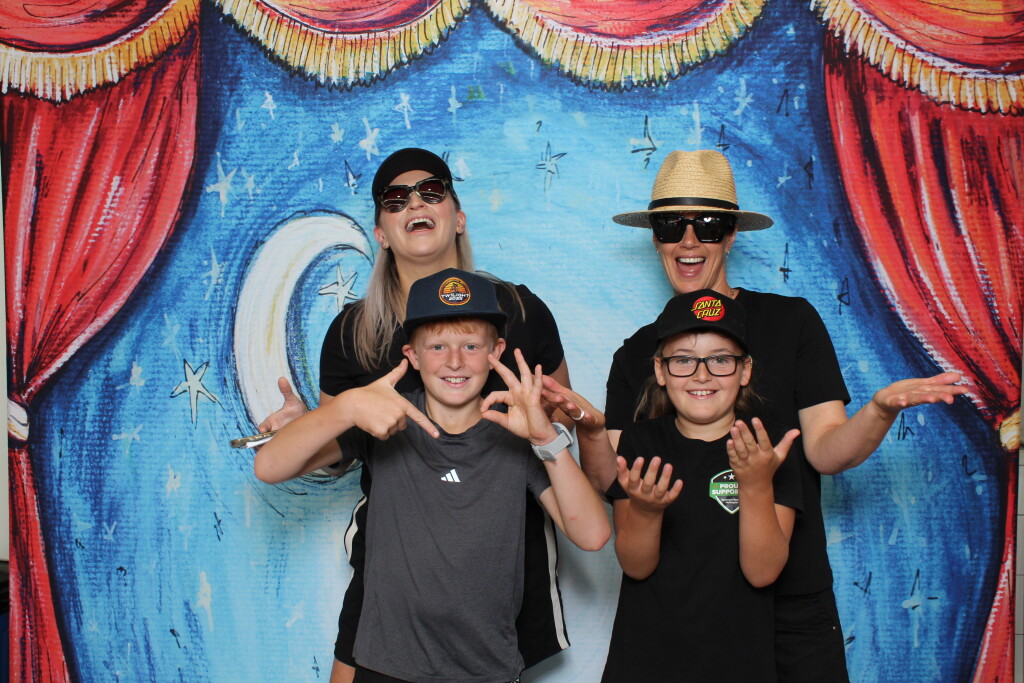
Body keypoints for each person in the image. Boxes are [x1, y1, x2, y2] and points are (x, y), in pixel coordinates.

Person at [546, 150, 966, 682]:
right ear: (656, 239)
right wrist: (585, 432)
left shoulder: (792, 323)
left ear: (730, 236)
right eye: (672, 225)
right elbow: (616, 481)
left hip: (789, 598)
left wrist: (879, 411)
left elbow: (824, 449)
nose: (689, 240)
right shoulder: (635, 355)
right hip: (679, 610)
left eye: (708, 224)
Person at [257, 148, 574, 683]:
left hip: (499, 562)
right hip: (395, 563)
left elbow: (561, 421)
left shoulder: (520, 310)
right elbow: (336, 453)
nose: (415, 204)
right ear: (380, 233)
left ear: (458, 216)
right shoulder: (354, 332)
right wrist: (307, 425)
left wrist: (568, 429)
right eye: (395, 199)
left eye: (431, 191)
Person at [597, 289, 802, 681]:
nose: (701, 374)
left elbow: (762, 573)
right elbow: (636, 566)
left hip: (739, 665)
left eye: (720, 359)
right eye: (683, 360)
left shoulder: (770, 447)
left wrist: (756, 485)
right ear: (660, 370)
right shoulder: (640, 441)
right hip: (643, 663)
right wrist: (646, 511)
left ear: (745, 370)